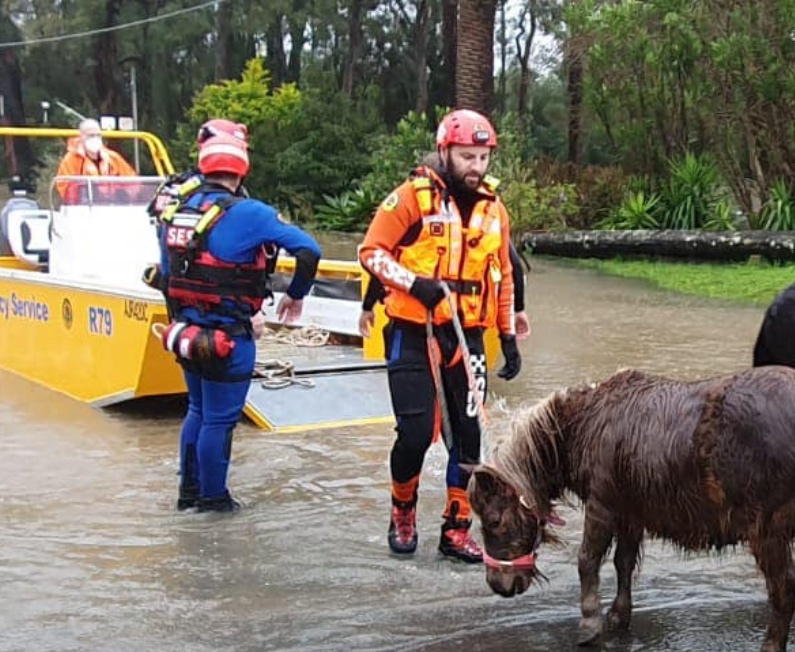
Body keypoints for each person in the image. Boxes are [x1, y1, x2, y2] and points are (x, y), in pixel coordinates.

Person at [359, 108, 523, 561]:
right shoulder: (412, 197)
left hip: (468, 335)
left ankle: (456, 529)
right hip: (414, 332)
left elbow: (504, 275)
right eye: (467, 156)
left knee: (469, 439)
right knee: (414, 434)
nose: (476, 166)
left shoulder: (494, 209)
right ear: (445, 151)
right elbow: (371, 252)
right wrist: (416, 285)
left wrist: (507, 337)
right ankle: (403, 511)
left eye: (483, 157)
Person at [153, 119, 322, 513]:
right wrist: (295, 296)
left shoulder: (176, 208)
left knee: (197, 410)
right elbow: (309, 251)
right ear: (242, 164)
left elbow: (165, 275)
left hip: (186, 331)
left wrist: (183, 318)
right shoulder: (251, 214)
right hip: (229, 337)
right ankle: (215, 501)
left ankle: (188, 494)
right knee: (219, 420)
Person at [360, 241, 530, 339]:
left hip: (419, 322)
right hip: (466, 320)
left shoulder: (413, 213)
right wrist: (518, 311)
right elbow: (514, 266)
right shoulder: (486, 217)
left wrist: (368, 306)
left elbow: (382, 267)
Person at [56, 118, 137, 204]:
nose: (95, 138)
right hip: (82, 210)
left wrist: (123, 194)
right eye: (91, 135)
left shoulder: (113, 158)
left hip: (113, 209)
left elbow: (133, 183)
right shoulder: (70, 160)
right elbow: (64, 189)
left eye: (98, 135)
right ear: (81, 136)